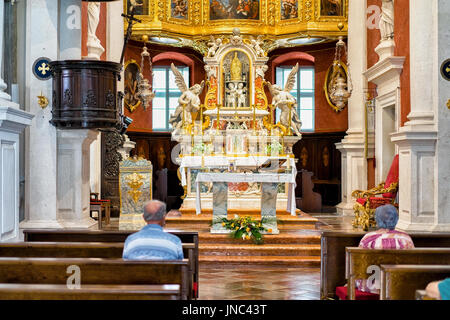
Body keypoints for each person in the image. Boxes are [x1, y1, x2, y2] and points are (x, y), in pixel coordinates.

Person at [356, 204, 415, 294]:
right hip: (399, 284)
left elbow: (360, 266)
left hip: (372, 286)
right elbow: (411, 263)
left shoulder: (368, 238)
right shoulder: (406, 238)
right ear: (396, 219)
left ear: (377, 219)